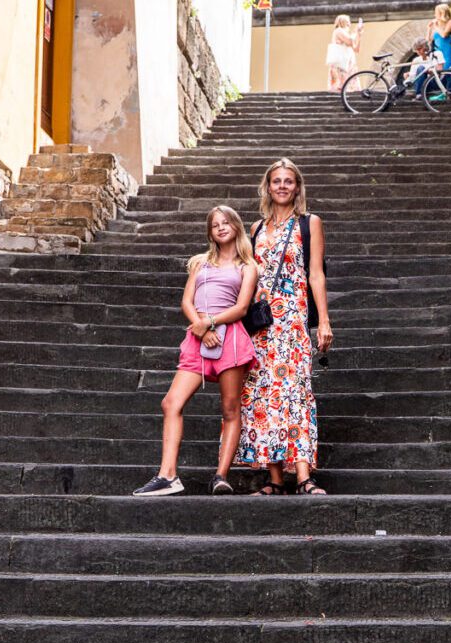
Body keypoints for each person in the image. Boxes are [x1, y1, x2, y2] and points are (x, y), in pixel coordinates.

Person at [133, 206, 258, 497]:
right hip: (198, 338)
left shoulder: (247, 266)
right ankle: (168, 475)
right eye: (215, 225)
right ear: (210, 232)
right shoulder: (201, 263)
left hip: (231, 339)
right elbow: (186, 301)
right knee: (170, 403)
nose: (221, 227)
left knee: (229, 408)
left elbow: (241, 307)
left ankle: (221, 476)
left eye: (226, 222)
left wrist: (210, 322)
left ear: (237, 227)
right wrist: (199, 325)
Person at [238, 158, 333, 495]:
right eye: (276, 181)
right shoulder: (256, 229)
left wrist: (323, 320)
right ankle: (275, 479)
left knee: (293, 393)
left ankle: (304, 477)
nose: (281, 186)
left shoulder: (310, 223)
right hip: (263, 325)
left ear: (297, 187)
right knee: (265, 396)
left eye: (288, 181)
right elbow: (249, 275)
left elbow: (316, 274)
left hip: (293, 323)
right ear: (267, 186)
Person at [327, 14, 363, 93]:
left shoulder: (347, 34)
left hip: (347, 61)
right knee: (341, 86)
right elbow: (350, 41)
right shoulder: (338, 31)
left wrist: (359, 35)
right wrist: (356, 31)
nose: (349, 24)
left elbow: (356, 49)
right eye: (348, 22)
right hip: (340, 62)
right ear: (343, 22)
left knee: (349, 86)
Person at [426, 3, 451, 92]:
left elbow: (443, 35)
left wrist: (436, 26)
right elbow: (428, 40)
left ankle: (449, 91)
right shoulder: (437, 25)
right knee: (438, 73)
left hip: (446, 51)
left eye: (436, 12)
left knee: (448, 70)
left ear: (442, 13)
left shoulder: (450, 22)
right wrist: (429, 28)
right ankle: (441, 91)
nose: (435, 15)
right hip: (438, 53)